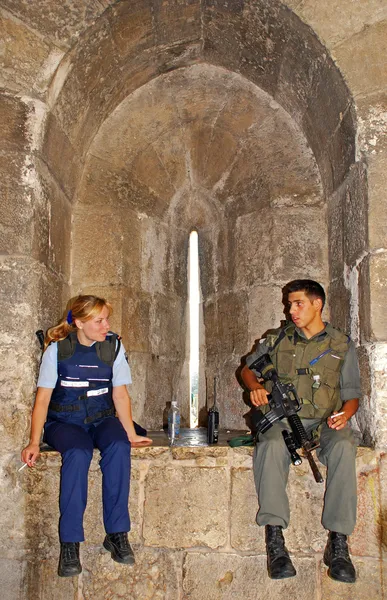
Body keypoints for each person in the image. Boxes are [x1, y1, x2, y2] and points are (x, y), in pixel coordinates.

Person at [21, 295, 152, 577]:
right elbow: (42, 400)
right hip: (64, 422)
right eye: (99, 320)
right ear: (79, 322)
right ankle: (70, 544)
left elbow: (120, 394)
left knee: (118, 445)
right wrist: (34, 441)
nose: (106, 325)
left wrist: (130, 433)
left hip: (101, 419)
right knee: (78, 454)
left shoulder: (113, 347)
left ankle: (116, 534)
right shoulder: (57, 350)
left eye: (106, 319)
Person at [241, 279, 360, 583]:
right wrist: (255, 387)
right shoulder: (277, 339)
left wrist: (344, 416)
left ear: (317, 304)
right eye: (289, 304)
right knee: (269, 444)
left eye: (298, 303)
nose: (291, 310)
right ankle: (275, 539)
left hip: (325, 423)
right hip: (282, 421)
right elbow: (247, 368)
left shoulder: (341, 344)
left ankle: (338, 542)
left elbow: (352, 395)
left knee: (346, 445)